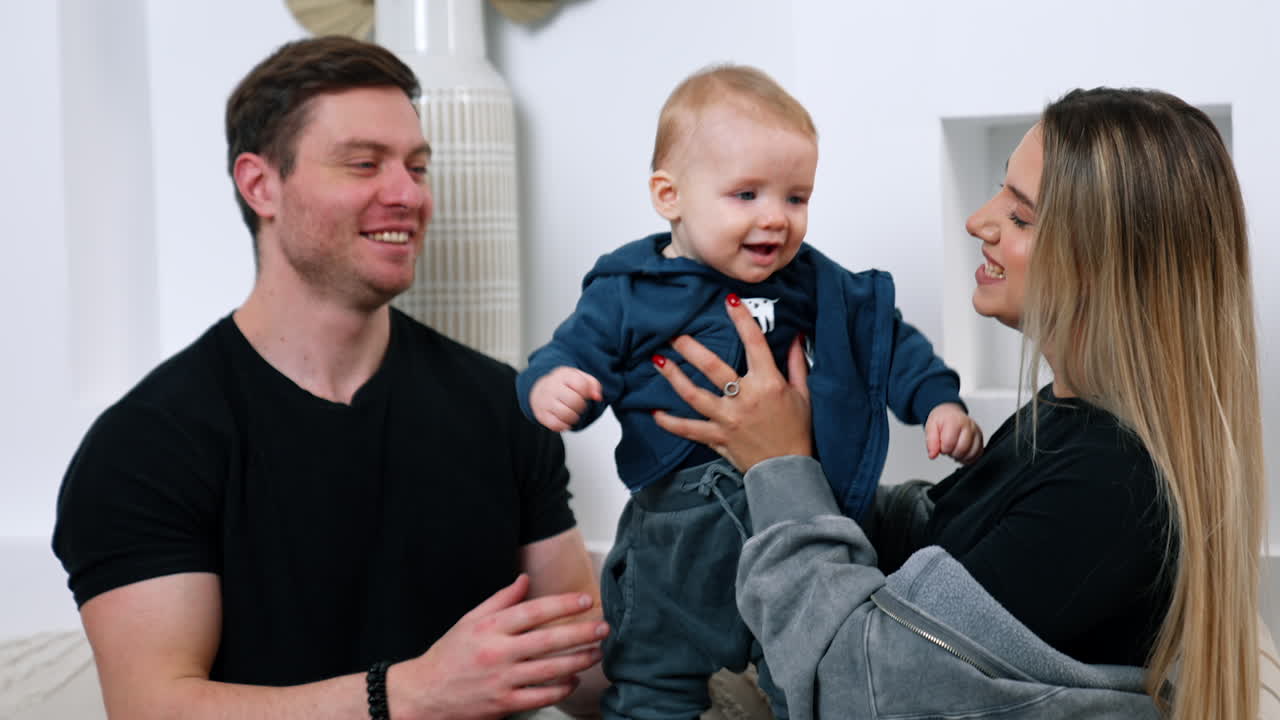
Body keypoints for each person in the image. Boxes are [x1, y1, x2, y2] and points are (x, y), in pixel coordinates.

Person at [650, 87, 1264, 720]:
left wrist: (780, 467)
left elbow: (853, 689)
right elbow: (951, 552)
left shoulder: (1111, 485)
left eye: (1020, 217)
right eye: (1001, 192)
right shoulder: (1064, 420)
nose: (979, 222)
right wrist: (800, 462)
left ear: (1110, 265)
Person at [52, 36, 609, 720]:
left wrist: (700, 497)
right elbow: (153, 708)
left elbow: (585, 672)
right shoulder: (147, 445)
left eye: (417, 166)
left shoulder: (504, 405)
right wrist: (409, 693)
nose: (407, 194)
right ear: (261, 185)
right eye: (364, 164)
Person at [516, 64, 982, 719]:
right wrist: (555, 384)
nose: (776, 219)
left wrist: (936, 400)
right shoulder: (628, 291)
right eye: (746, 195)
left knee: (807, 672)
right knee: (652, 677)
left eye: (796, 198)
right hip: (675, 535)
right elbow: (571, 353)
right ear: (669, 195)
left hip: (785, 522)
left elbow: (882, 335)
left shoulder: (808, 282)